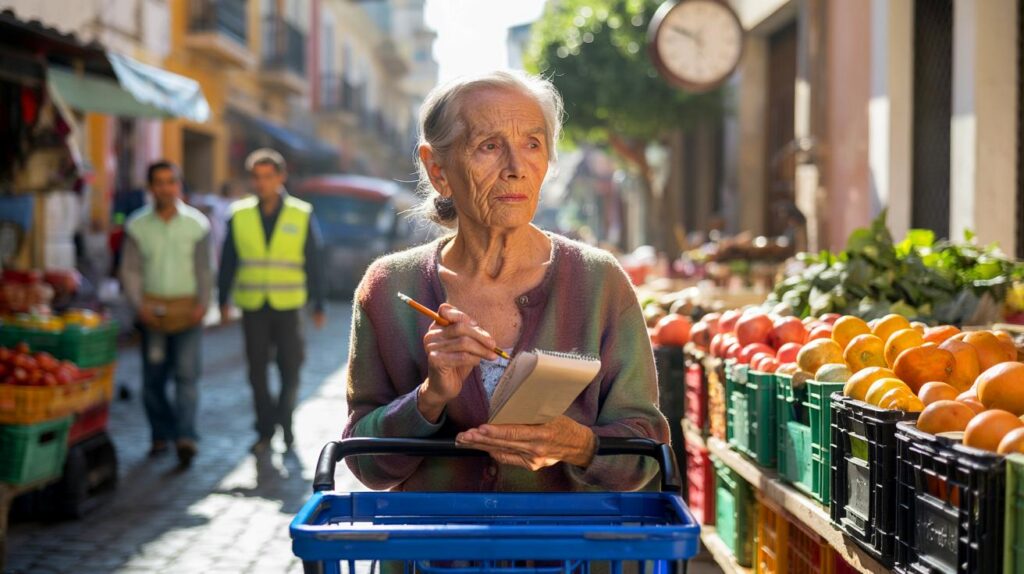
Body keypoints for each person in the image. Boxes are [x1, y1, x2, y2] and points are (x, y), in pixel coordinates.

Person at [343, 71, 669, 492]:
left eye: (532, 144)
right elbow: (365, 464)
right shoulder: (388, 287)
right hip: (434, 552)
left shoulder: (600, 281)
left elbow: (649, 452)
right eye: (489, 146)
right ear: (438, 169)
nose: (516, 168)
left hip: (570, 556)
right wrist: (429, 397)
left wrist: (581, 444)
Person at [218, 149, 326, 454]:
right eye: (257, 177)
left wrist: (319, 303)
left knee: (290, 369)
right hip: (253, 305)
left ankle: (286, 422)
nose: (262, 182)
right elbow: (228, 260)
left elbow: (315, 261)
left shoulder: (300, 213)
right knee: (256, 372)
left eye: (268, 176)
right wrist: (222, 299)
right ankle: (265, 430)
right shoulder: (239, 215)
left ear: (281, 177)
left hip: (289, 305)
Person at [121, 160, 212, 467]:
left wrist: (204, 303)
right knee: (153, 380)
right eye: (158, 182)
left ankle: (186, 437)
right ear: (151, 188)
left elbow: (204, 268)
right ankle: (161, 433)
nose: (165, 188)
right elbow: (130, 271)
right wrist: (138, 305)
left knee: (187, 377)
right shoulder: (137, 226)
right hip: (152, 314)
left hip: (188, 311)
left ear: (179, 185)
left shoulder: (197, 224)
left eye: (171, 181)